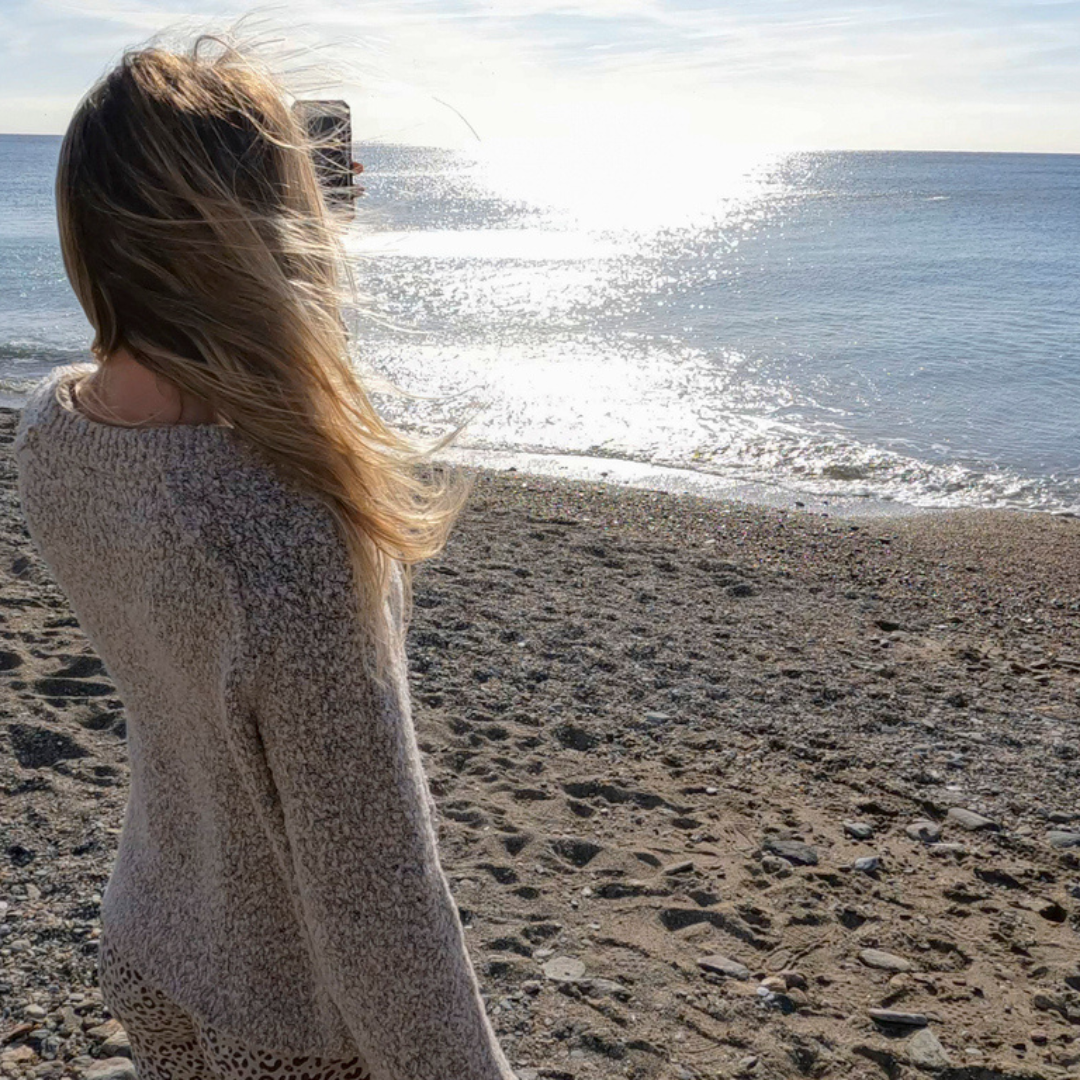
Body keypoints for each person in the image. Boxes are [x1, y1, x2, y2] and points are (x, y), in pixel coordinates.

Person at [14, 31, 518, 1080]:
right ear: (266, 239)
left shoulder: (54, 429)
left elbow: (218, 401)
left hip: (152, 931)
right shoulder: (285, 530)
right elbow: (378, 896)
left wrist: (292, 247)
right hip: (285, 1018)